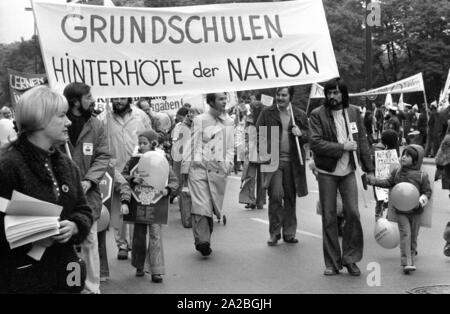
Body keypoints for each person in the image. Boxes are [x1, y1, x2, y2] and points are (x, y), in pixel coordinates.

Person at [0, 86, 93, 293]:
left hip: (68, 272)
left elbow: (84, 209)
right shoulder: (8, 166)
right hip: (23, 277)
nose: (68, 122)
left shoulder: (68, 166)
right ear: (40, 119)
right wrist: (28, 235)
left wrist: (76, 225)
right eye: (61, 116)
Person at [309, 78, 374, 276]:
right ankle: (332, 263)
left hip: (348, 171)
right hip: (327, 171)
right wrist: (342, 147)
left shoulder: (353, 112)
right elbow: (315, 142)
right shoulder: (317, 114)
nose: (332, 96)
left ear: (343, 94)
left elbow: (361, 140)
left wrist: (369, 169)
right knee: (329, 217)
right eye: (329, 93)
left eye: (336, 93)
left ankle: (351, 259)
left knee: (353, 213)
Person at [63, 82, 111, 294]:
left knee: (90, 240)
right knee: (65, 242)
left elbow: (103, 155)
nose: (93, 100)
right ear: (75, 101)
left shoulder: (96, 124)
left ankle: (92, 288)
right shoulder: (58, 123)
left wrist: (89, 180)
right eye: (88, 96)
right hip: (61, 196)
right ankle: (71, 287)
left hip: (88, 196)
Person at [120, 129, 178, 283]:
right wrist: (133, 178)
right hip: (138, 204)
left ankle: (156, 270)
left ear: (153, 144)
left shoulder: (162, 160)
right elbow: (122, 176)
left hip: (156, 204)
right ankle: (139, 265)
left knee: (155, 236)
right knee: (138, 237)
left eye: (144, 143)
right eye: (139, 143)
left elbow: (173, 180)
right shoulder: (133, 160)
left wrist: (168, 190)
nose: (141, 146)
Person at [97, 97, 152, 260]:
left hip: (139, 170)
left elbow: (151, 137)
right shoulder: (103, 118)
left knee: (136, 209)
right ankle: (122, 245)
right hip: (116, 170)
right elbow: (99, 142)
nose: (119, 101)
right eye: (116, 98)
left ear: (129, 99)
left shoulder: (141, 115)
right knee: (118, 210)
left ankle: (137, 245)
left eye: (122, 98)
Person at [181, 92, 234, 256]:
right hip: (199, 169)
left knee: (210, 205)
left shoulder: (230, 121)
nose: (224, 101)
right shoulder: (200, 120)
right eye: (220, 99)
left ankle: (203, 238)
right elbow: (191, 144)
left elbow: (230, 146)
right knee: (200, 204)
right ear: (211, 102)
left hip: (218, 169)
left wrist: (228, 163)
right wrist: (185, 169)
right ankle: (203, 240)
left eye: (225, 98)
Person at [256, 86, 309, 246]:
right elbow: (257, 134)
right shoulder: (267, 113)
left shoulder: (299, 114)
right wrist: (263, 150)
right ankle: (274, 233)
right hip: (273, 162)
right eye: (278, 94)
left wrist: (302, 134)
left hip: (293, 163)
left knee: (290, 198)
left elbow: (310, 135)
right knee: (276, 196)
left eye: (284, 95)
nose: (280, 98)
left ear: (290, 96)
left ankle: (289, 232)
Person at [368, 145, 431, 274]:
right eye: (403, 155)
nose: (403, 157)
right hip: (401, 212)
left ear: (415, 160)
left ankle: (411, 258)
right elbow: (388, 182)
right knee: (406, 235)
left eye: (407, 156)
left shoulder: (422, 176)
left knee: (413, 237)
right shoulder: (397, 172)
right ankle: (407, 262)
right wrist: (374, 181)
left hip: (416, 212)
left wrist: (420, 201)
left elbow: (427, 192)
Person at [239, 101, 266, 210]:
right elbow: (245, 133)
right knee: (250, 176)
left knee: (262, 178)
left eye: (254, 108)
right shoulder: (249, 118)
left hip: (263, 150)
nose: (252, 109)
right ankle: (250, 200)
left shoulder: (266, 116)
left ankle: (260, 201)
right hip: (251, 149)